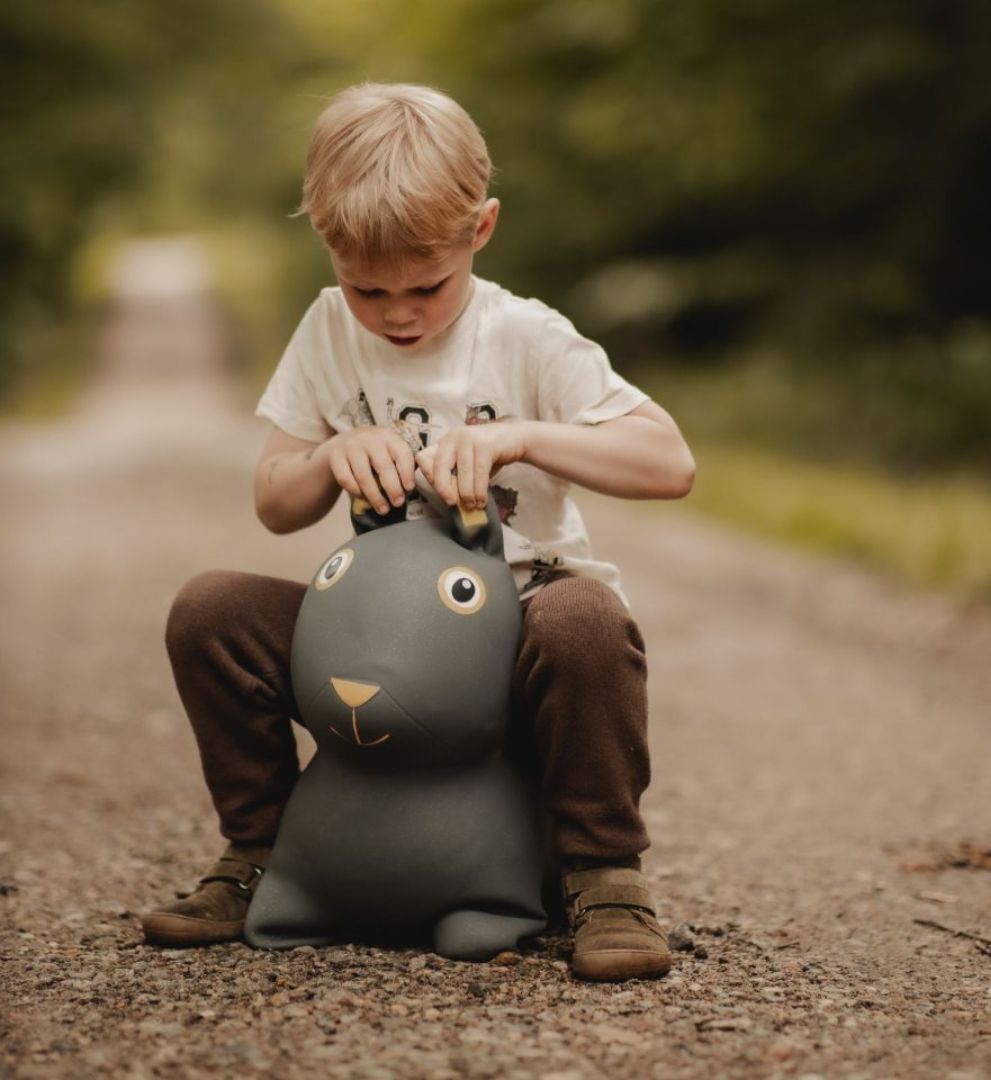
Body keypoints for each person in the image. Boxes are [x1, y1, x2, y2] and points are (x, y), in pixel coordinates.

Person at [140, 82, 695, 982]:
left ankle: (605, 876)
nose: (398, 314)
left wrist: (521, 436)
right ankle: (259, 853)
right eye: (369, 289)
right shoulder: (327, 330)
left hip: (514, 641)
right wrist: (330, 456)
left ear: (480, 230)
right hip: (379, 642)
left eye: (426, 288)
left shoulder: (525, 337)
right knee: (210, 610)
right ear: (329, 246)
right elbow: (276, 501)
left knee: (584, 619)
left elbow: (670, 463)